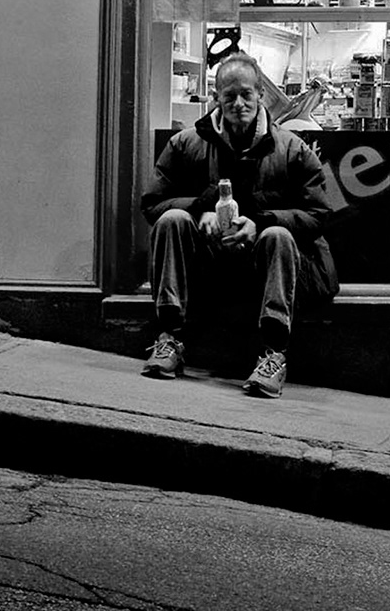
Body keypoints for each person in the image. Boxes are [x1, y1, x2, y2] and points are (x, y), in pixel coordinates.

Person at [140, 52, 339, 397]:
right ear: (216, 97)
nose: (238, 104)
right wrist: (198, 211)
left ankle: (274, 353)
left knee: (278, 234)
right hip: (208, 265)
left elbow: (318, 214)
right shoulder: (185, 144)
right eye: (229, 95)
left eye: (246, 94)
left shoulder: (292, 149)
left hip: (267, 268)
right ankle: (169, 338)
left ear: (261, 94)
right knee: (172, 219)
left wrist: (260, 224)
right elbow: (152, 204)